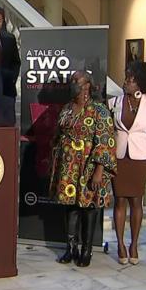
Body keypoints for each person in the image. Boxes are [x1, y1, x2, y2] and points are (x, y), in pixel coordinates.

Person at [50, 73, 116, 267]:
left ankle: (86, 251)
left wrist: (98, 171)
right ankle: (71, 249)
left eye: (76, 81)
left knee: (88, 207)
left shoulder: (99, 110)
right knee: (70, 207)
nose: (72, 84)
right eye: (71, 81)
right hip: (68, 166)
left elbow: (105, 142)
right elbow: (59, 133)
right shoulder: (68, 108)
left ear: (87, 85)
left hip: (89, 167)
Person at [109, 62, 146, 265]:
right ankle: (121, 244)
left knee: (136, 201)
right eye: (126, 78)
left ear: (140, 84)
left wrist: (139, 147)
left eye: (131, 80)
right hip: (119, 158)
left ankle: (134, 244)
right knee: (120, 200)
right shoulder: (114, 102)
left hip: (140, 159)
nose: (126, 82)